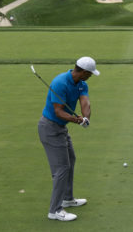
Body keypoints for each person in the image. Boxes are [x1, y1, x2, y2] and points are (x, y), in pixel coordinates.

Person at [38, 57, 100, 221]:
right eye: (90, 74)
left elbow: (85, 103)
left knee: (71, 160)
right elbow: (58, 111)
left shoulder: (82, 84)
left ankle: (67, 198)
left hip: (61, 128)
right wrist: (76, 120)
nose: (91, 76)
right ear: (84, 72)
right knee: (62, 168)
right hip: (50, 128)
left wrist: (85, 118)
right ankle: (55, 210)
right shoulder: (60, 83)